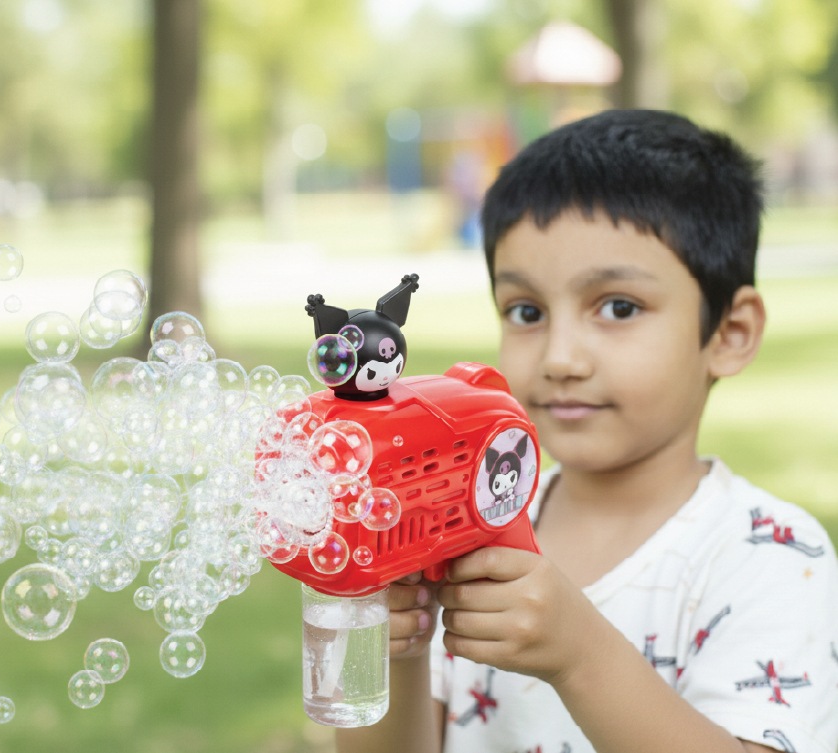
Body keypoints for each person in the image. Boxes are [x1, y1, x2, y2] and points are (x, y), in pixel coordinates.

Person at [336, 109, 838, 753]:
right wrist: (391, 652)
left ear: (729, 333)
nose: (560, 358)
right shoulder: (465, 526)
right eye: (526, 312)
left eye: (618, 307)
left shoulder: (770, 555)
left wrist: (581, 656)